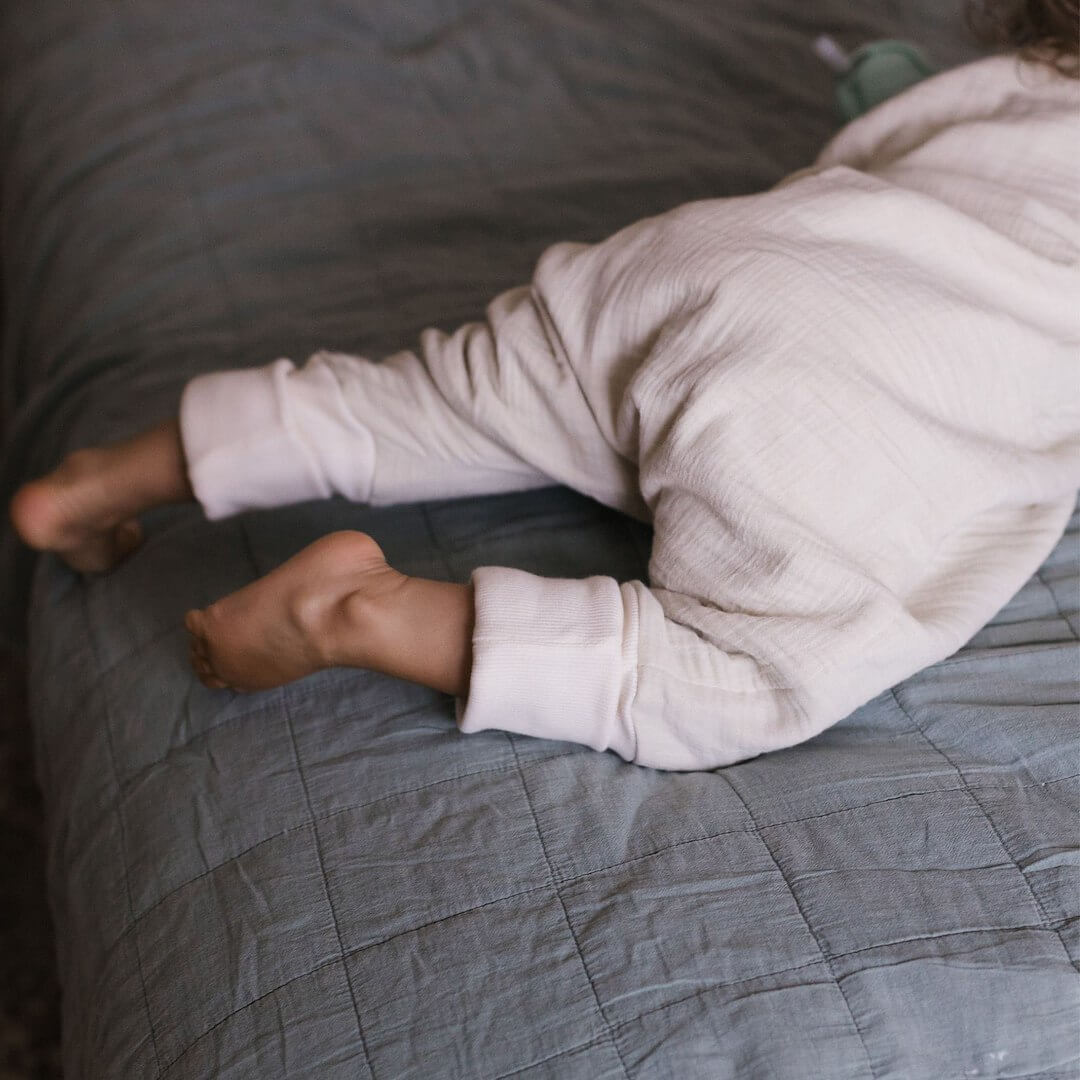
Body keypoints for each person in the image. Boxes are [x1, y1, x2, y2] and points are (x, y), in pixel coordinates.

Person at [10, 3, 1080, 770]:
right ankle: (362, 611)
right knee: (749, 679)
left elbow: (875, 145)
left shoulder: (1028, 83)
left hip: (707, 268)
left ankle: (90, 487)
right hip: (846, 403)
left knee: (412, 404)